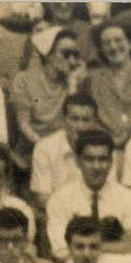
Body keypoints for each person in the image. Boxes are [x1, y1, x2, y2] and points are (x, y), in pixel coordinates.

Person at [46, 129, 131, 262]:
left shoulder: (128, 198)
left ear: (111, 162)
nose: (96, 166)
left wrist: (81, 247)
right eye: (89, 159)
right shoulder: (60, 200)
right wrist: (121, 246)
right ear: (78, 161)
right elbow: (61, 252)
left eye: (102, 159)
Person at [9, 28, 85, 169]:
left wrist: (73, 84)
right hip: (31, 150)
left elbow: (74, 122)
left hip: (64, 149)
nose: (72, 60)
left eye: (75, 54)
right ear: (48, 54)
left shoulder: (70, 83)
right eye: (66, 54)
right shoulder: (24, 80)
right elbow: (23, 125)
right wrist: (48, 149)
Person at [85, 18, 131, 149]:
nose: (113, 47)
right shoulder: (93, 80)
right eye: (106, 43)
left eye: (118, 40)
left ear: (130, 44)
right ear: (101, 49)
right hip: (106, 148)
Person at [29, 92, 97, 207]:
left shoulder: (104, 148)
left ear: (94, 123)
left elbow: (108, 195)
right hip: (59, 214)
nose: (80, 126)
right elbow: (43, 197)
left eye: (86, 120)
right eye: (74, 119)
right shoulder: (45, 148)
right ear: (64, 119)